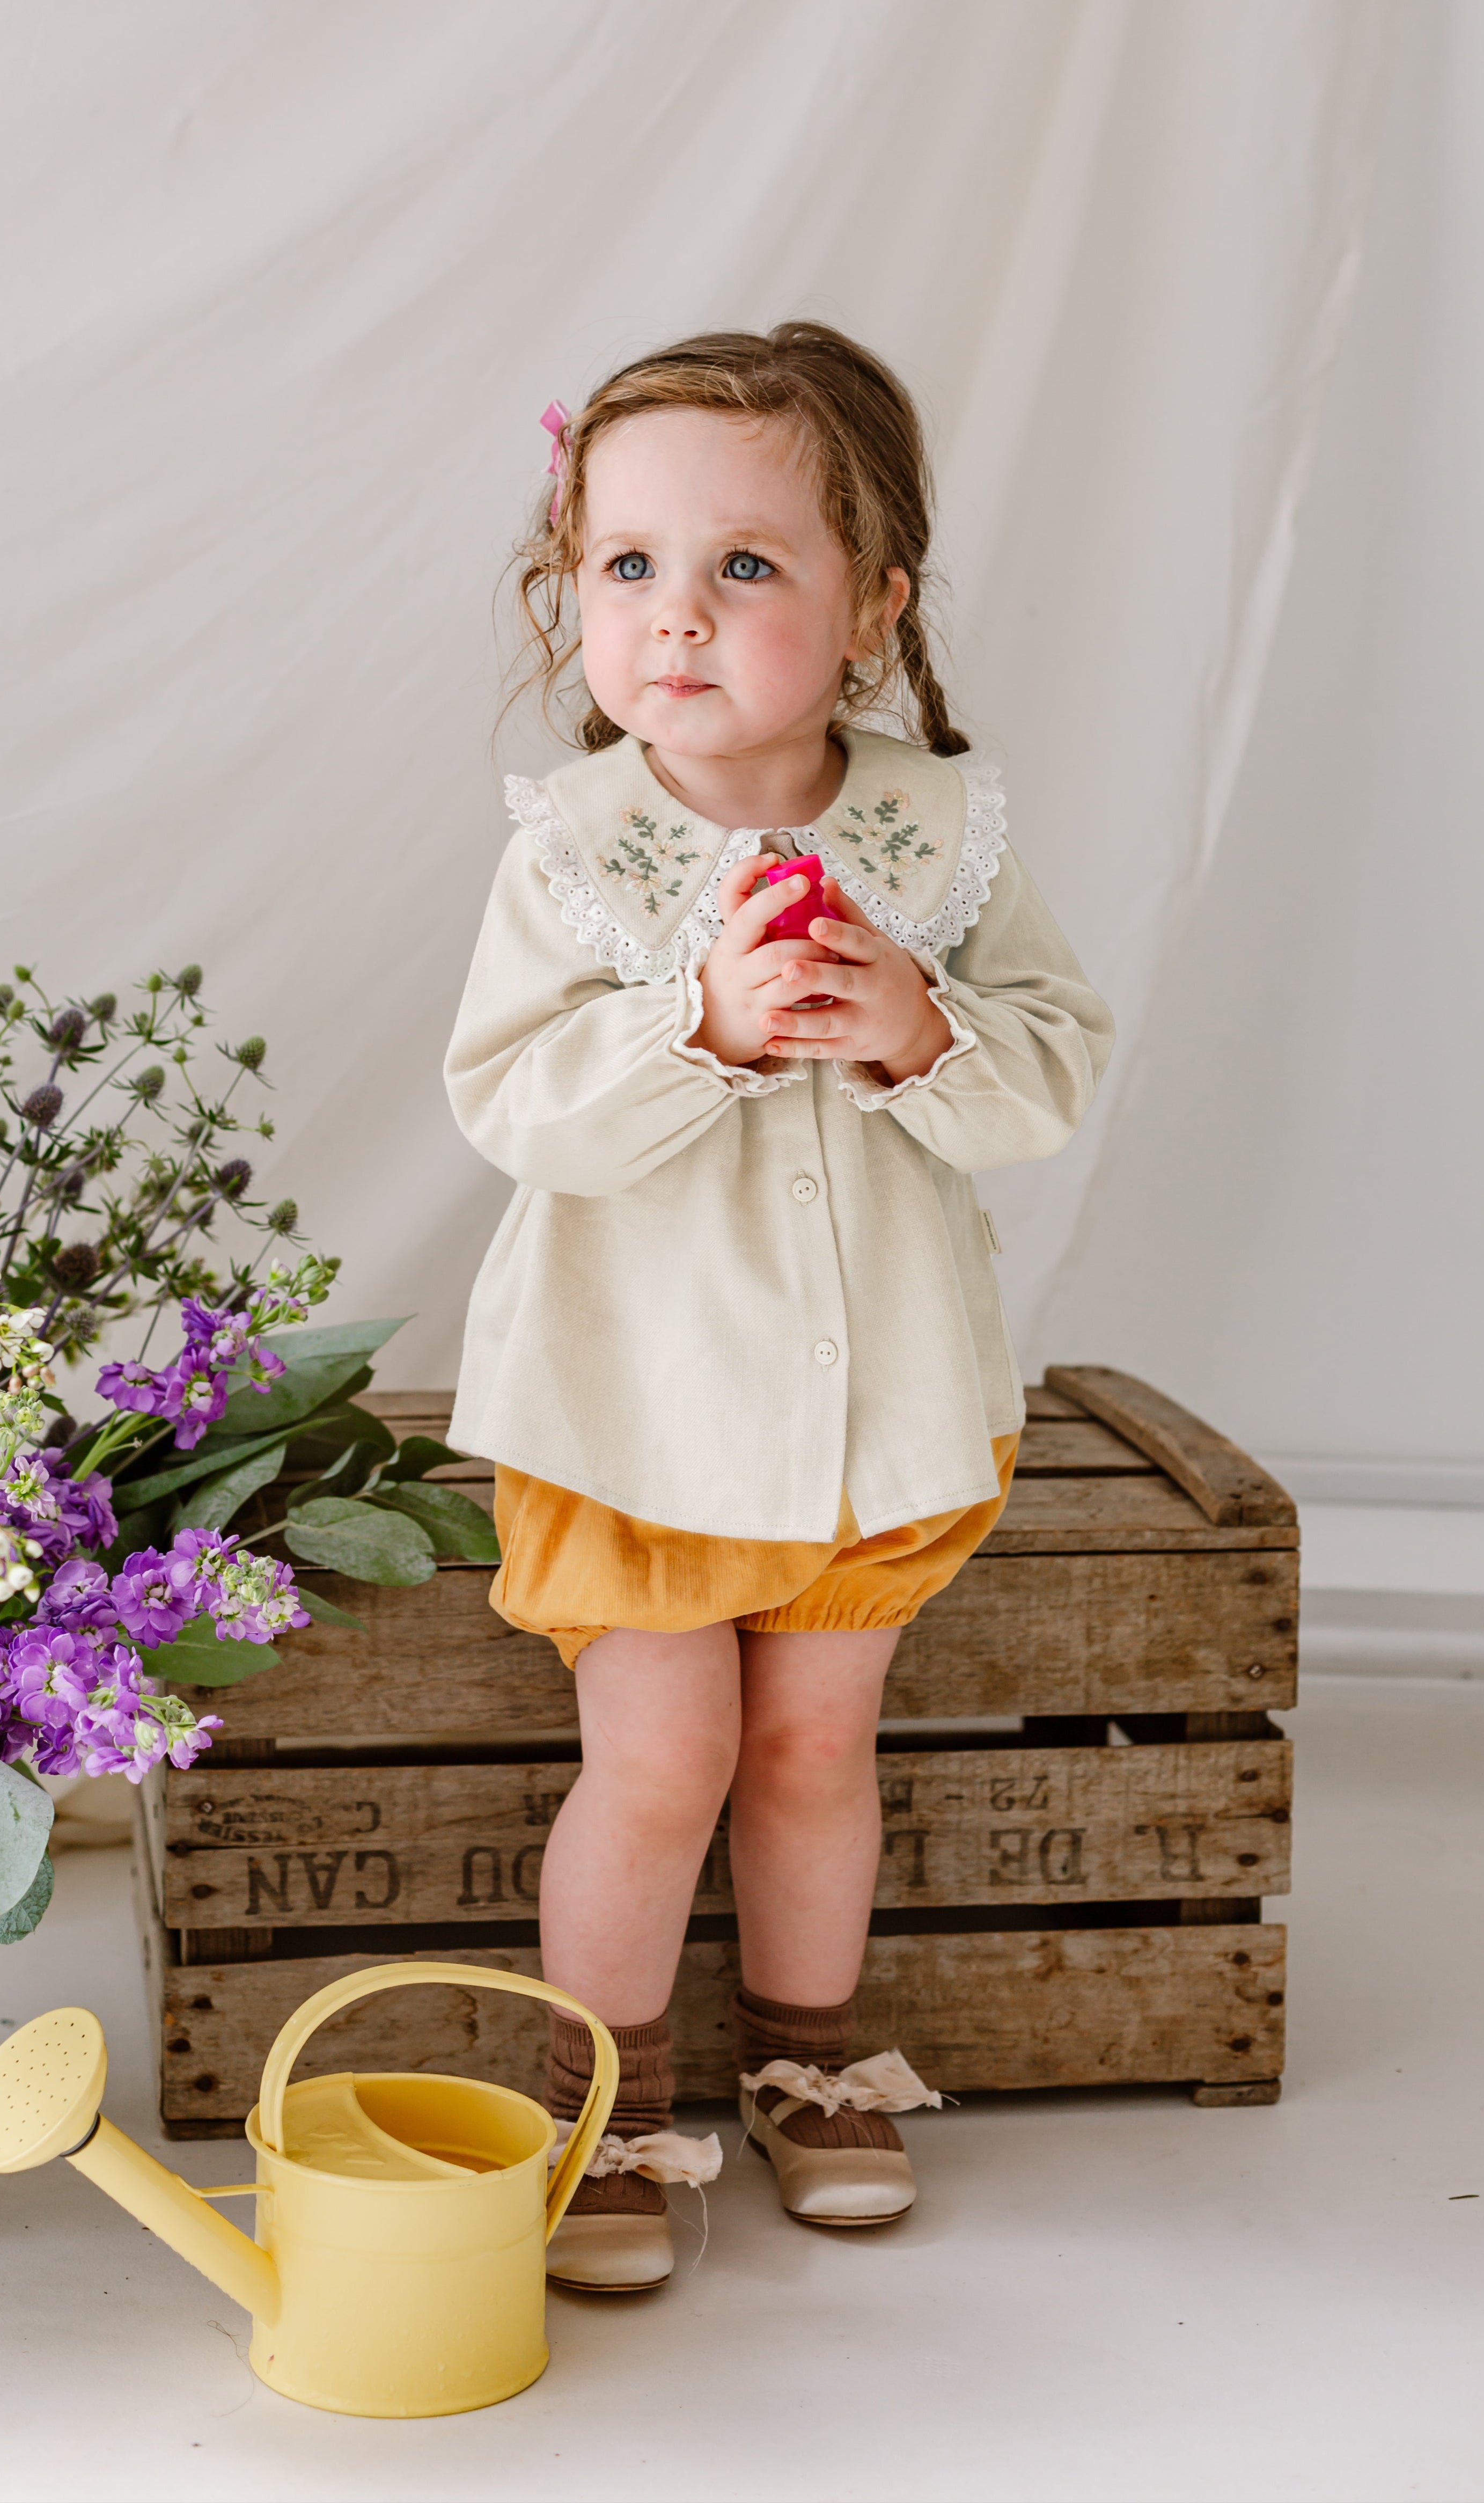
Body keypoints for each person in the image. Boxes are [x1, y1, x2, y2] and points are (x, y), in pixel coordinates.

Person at [445, 321, 1113, 2293]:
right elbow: (511, 1102)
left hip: (872, 1410)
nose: (678, 614)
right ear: (574, 588)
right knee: (661, 1765)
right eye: (629, 565)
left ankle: (811, 2063)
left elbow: (1057, 1069)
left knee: (818, 1755)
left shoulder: (938, 834)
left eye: (745, 565)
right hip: (638, 1414)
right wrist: (697, 1027)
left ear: (873, 605)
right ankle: (611, 2099)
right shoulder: (579, 853)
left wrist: (924, 1025)